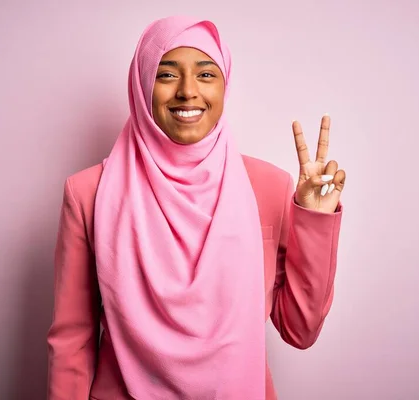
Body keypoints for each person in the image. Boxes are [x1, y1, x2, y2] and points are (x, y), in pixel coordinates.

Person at [47, 15, 345, 400]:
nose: (188, 91)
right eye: (167, 74)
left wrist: (315, 220)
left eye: (206, 75)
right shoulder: (88, 193)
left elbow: (300, 331)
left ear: (225, 85)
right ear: (141, 86)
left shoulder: (269, 188)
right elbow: (73, 341)